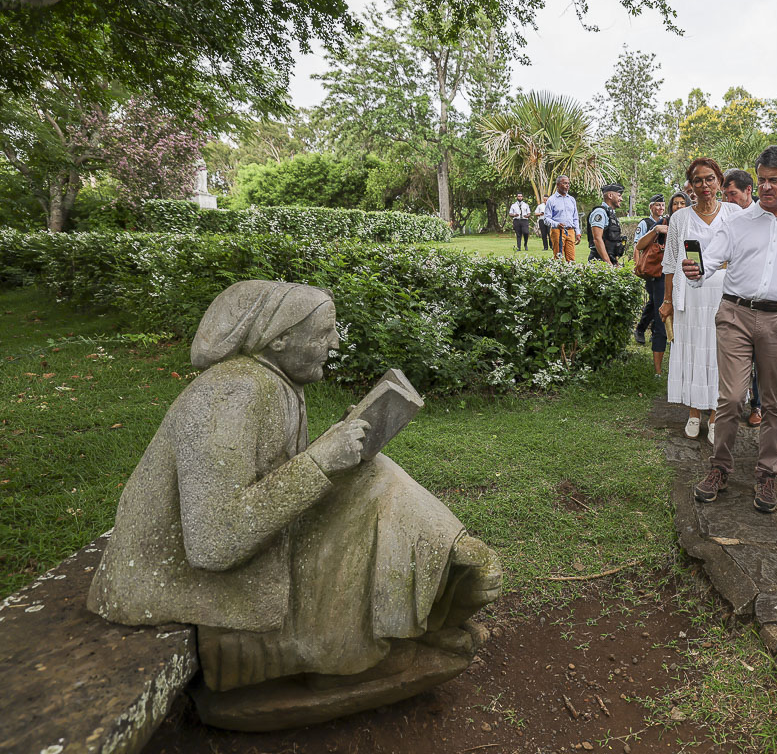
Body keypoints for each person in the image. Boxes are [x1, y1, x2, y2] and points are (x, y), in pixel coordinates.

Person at [89, 281, 502, 708]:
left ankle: (429, 588)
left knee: (372, 474)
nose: (335, 343)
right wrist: (321, 460)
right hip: (180, 578)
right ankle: (350, 652)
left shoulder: (275, 383)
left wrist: (333, 447)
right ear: (279, 339)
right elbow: (212, 542)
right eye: (324, 333)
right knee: (373, 488)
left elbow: (271, 479)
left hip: (241, 546)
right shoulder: (231, 393)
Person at [684, 146, 777, 514]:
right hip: (735, 314)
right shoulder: (738, 222)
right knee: (731, 398)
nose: (765, 187)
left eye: (774, 180)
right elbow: (710, 260)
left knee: (775, 403)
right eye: (761, 180)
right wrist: (697, 270)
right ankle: (719, 468)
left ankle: (767, 473)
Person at [662, 162, 736, 443]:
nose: (704, 185)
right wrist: (667, 300)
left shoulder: (734, 213)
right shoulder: (680, 218)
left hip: (725, 296)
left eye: (710, 179)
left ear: (720, 181)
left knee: (720, 354)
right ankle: (694, 413)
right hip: (690, 297)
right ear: (690, 185)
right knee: (693, 353)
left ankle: (716, 415)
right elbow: (671, 263)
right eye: (697, 180)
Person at [722, 168, 763, 426]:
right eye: (725, 195)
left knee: (760, 359)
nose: (729, 200)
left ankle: (757, 405)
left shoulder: (766, 216)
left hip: (761, 301)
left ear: (748, 191)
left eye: (733, 194)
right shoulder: (727, 218)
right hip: (732, 298)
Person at [633, 195, 669, 373]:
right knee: (654, 302)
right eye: (658, 205)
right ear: (651, 207)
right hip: (654, 270)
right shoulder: (646, 223)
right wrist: (638, 266)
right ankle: (641, 329)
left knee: (654, 302)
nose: (660, 208)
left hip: (662, 272)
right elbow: (638, 247)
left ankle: (646, 329)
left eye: (663, 205)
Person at [587, 183, 627, 265]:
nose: (621, 199)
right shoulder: (600, 213)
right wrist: (608, 263)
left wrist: (615, 262)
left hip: (610, 259)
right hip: (599, 261)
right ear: (610, 196)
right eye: (619, 196)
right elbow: (597, 239)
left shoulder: (611, 214)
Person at [545, 175, 581, 262]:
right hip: (558, 231)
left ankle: (570, 270)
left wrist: (577, 232)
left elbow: (575, 218)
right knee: (558, 258)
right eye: (565, 183)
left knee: (571, 259)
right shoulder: (551, 200)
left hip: (570, 231)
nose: (567, 185)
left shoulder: (571, 199)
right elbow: (546, 219)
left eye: (568, 183)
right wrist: (556, 224)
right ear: (558, 185)